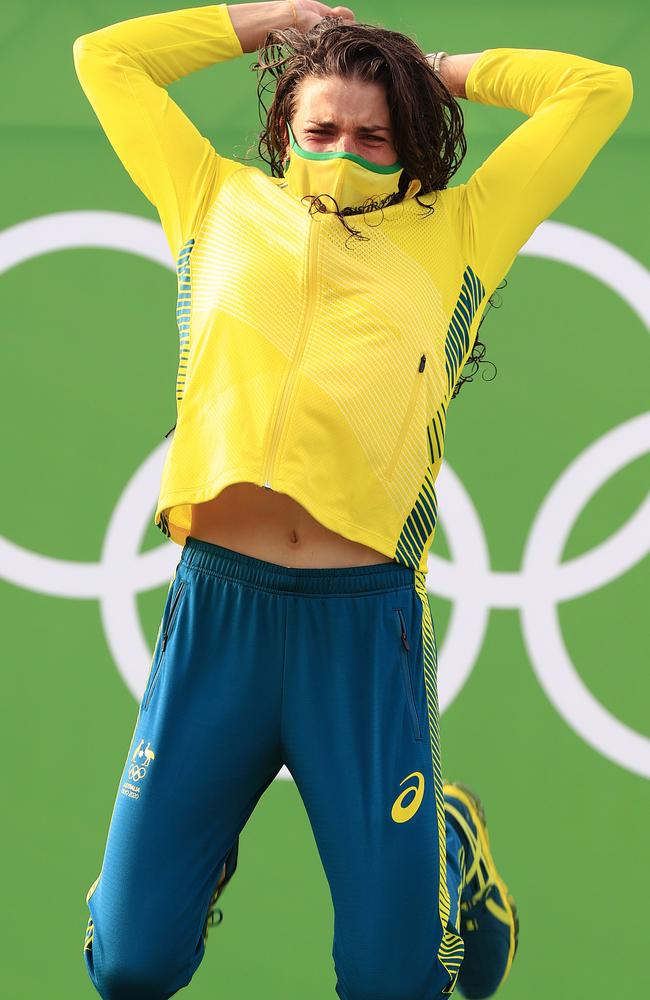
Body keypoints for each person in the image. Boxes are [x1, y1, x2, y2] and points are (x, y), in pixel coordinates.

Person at [73, 2, 633, 997]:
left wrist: (437, 68)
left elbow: (595, 91)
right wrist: (264, 22)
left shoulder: (462, 229)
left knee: (389, 979)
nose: (343, 153)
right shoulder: (212, 198)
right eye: (320, 130)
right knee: (129, 965)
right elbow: (105, 59)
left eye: (374, 137)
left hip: (359, 624)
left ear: (410, 142)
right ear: (285, 123)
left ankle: (447, 848)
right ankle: (193, 866)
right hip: (219, 611)